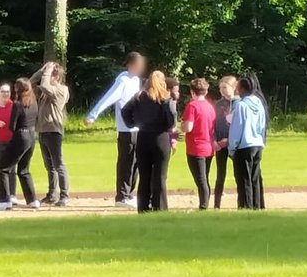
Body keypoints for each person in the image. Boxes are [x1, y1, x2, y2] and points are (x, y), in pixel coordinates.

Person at [85, 52, 146, 208]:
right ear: (130, 65)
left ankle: (130, 193)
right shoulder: (123, 80)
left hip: (138, 128)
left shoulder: (136, 80)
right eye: (138, 65)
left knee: (136, 162)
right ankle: (122, 196)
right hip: (126, 129)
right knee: (126, 162)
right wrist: (93, 115)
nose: (140, 68)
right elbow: (108, 98)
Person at [121, 70, 176, 212]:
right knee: (160, 177)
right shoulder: (165, 98)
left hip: (143, 137)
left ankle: (143, 207)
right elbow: (171, 119)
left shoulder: (139, 97)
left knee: (144, 176)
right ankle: (160, 207)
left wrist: (132, 124)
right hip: (161, 137)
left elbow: (125, 110)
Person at [0, 78, 40, 209]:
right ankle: (32, 200)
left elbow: (12, 126)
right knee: (24, 169)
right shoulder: (34, 102)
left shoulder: (18, 104)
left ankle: (4, 201)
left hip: (21, 136)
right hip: (32, 136)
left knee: (2, 168)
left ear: (17, 90)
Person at [32, 62, 71, 207]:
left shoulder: (61, 90)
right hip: (43, 130)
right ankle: (52, 194)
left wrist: (48, 71)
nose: (46, 77)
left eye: (49, 75)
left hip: (54, 131)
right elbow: (29, 84)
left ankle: (64, 194)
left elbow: (44, 86)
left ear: (57, 76)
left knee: (59, 164)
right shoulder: (45, 91)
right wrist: (41, 70)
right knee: (49, 166)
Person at [228, 76, 267, 209]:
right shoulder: (259, 103)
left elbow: (236, 128)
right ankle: (257, 205)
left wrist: (232, 147)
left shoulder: (241, 105)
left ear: (242, 89)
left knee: (243, 179)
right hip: (257, 143)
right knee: (254, 178)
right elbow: (262, 125)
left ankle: (245, 206)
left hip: (244, 145)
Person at [181, 78, 217, 209]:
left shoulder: (192, 106)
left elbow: (188, 127)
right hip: (208, 147)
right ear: (206, 91)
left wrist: (181, 127)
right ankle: (205, 203)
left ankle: (203, 205)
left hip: (195, 147)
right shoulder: (210, 107)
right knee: (205, 178)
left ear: (192, 92)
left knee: (200, 180)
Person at [211, 76, 237, 209]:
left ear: (233, 88)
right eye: (220, 88)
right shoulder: (218, 104)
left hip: (234, 143)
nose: (222, 90)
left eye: (225, 87)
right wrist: (214, 140)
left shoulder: (238, 103)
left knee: (238, 173)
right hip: (220, 144)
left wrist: (230, 139)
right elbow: (213, 124)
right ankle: (217, 204)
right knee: (220, 174)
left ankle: (243, 201)